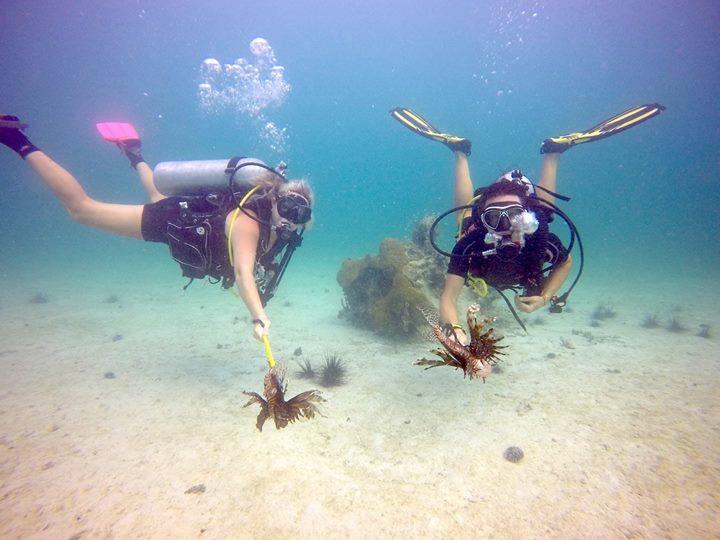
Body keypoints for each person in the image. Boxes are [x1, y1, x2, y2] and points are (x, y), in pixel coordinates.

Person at [0, 115, 314, 341]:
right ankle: (17, 140)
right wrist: (258, 317)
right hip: (172, 221)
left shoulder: (277, 229)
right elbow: (244, 271)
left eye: (300, 215)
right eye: (287, 207)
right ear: (274, 198)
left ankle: (134, 153)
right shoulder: (250, 218)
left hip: (186, 217)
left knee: (157, 193)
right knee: (82, 209)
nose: (290, 218)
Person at [390, 103, 665, 341]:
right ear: (484, 220)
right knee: (464, 217)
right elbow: (448, 298)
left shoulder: (537, 238)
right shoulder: (470, 244)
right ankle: (460, 152)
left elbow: (566, 262)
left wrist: (545, 297)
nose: (505, 225)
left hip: (532, 218)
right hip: (482, 230)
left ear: (524, 216)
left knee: (543, 213)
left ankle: (551, 152)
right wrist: (455, 330)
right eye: (493, 218)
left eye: (514, 215)